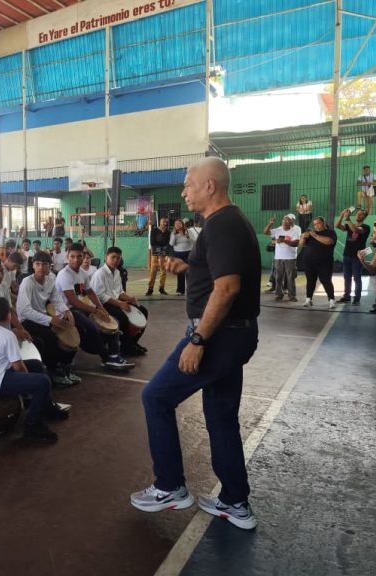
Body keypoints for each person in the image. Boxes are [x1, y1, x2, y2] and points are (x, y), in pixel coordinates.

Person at [130, 157, 260, 531]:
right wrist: (189, 267)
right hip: (235, 336)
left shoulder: (221, 225)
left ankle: (169, 486)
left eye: (189, 183)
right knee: (221, 416)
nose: (183, 190)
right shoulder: (225, 223)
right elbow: (221, 272)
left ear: (210, 186)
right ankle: (235, 501)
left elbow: (228, 288)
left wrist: (198, 339)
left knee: (155, 397)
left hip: (219, 336)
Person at [0, 297, 68, 444]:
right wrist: (29, 385)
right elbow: (19, 368)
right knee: (43, 382)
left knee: (36, 365)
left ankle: (46, 407)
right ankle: (32, 427)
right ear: (9, 316)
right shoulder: (7, 335)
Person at [55, 243, 133, 371]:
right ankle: (106, 358)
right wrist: (94, 310)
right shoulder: (64, 274)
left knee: (111, 321)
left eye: (79, 256)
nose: (76, 259)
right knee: (92, 327)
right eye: (72, 256)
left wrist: (102, 308)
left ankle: (114, 355)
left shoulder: (82, 273)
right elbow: (73, 301)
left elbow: (90, 292)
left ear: (83, 257)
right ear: (67, 257)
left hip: (82, 307)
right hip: (66, 311)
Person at [16, 252, 78, 387]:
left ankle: (65, 366)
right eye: (38, 264)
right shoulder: (27, 282)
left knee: (70, 329)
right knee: (50, 336)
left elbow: (57, 300)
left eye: (44, 264)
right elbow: (24, 310)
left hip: (43, 317)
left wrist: (67, 311)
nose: (41, 268)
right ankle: (53, 370)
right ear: (33, 265)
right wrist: (50, 320)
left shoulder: (51, 278)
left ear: (50, 266)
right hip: (27, 320)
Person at [92, 247, 148, 356]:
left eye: (118, 258)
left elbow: (119, 292)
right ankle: (125, 347)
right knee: (122, 317)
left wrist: (129, 298)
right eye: (113, 257)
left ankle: (132, 343)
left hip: (115, 302)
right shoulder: (100, 273)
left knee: (143, 311)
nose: (116, 260)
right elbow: (100, 296)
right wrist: (120, 304)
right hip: (102, 305)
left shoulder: (117, 272)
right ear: (106, 257)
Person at [299, 217, 337, 309]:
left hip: (324, 262)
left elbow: (329, 241)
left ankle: (331, 299)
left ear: (324, 223)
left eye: (318, 223)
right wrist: (303, 237)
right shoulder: (310, 233)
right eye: (315, 224)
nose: (316, 225)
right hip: (309, 262)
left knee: (326, 280)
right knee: (310, 281)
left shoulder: (330, 232)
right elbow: (302, 244)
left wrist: (314, 235)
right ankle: (308, 299)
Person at [335, 208, 369, 305]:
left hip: (358, 257)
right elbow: (337, 225)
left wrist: (347, 218)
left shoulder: (366, 227)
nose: (359, 215)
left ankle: (357, 299)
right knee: (347, 277)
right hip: (347, 255)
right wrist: (341, 215)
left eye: (361, 214)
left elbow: (356, 230)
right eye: (358, 213)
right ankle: (347, 297)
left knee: (357, 277)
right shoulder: (349, 224)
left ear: (365, 217)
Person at [263, 214, 300, 302]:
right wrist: (270, 224)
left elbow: (296, 243)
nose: (285, 222)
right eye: (284, 220)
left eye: (287, 220)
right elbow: (265, 232)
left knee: (290, 277)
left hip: (290, 258)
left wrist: (284, 240)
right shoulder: (277, 230)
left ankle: (292, 295)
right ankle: (279, 294)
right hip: (278, 258)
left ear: (291, 222)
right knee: (278, 277)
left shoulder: (295, 231)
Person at [169, 219, 193, 295]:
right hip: (178, 254)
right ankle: (180, 290)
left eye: (179, 223)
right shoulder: (173, 233)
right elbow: (171, 244)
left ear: (182, 224)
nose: (177, 225)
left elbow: (193, 241)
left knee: (189, 272)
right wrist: (174, 235)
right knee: (180, 273)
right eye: (176, 224)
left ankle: (190, 290)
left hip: (188, 253)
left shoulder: (188, 231)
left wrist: (187, 235)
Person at [146, 217, 170, 296]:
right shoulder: (154, 231)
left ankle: (161, 288)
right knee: (153, 271)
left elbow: (167, 243)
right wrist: (159, 254)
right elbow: (153, 242)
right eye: (163, 222)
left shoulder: (167, 232)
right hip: (155, 254)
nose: (165, 223)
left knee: (163, 271)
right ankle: (150, 288)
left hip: (164, 254)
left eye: (166, 222)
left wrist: (162, 254)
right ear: (160, 222)